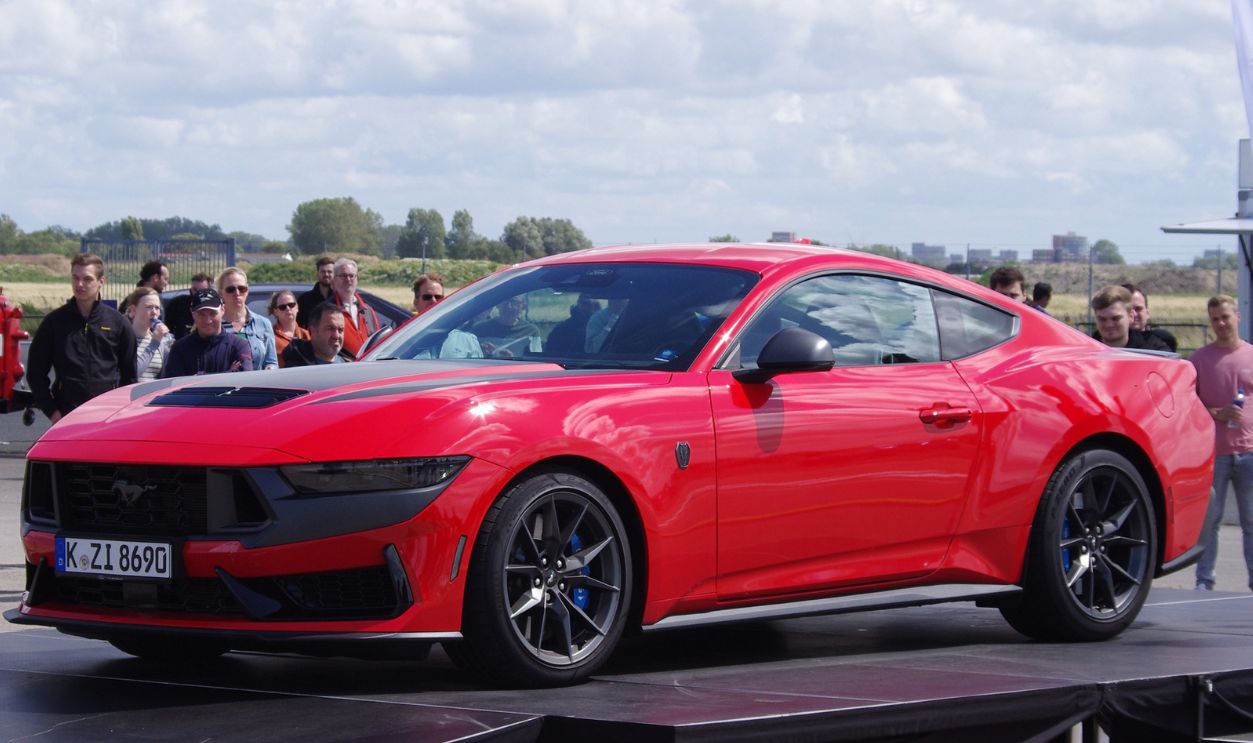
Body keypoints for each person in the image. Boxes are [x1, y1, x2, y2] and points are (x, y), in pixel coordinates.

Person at [27, 253, 138, 422]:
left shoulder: (119, 323)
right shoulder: (54, 323)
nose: (80, 284)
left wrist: (121, 412)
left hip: (108, 417)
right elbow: (35, 373)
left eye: (87, 279)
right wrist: (53, 412)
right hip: (67, 416)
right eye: (75, 278)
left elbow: (129, 377)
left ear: (101, 282)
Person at [1190, 295, 1253, 591]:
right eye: (1215, 319)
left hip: (1249, 452)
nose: (1221, 324)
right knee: (1210, 522)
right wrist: (1218, 413)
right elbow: (1190, 404)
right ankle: (1204, 580)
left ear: (1237, 317)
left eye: (1225, 317)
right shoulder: (1200, 360)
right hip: (1215, 453)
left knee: (1251, 522)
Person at [161, 288, 254, 377]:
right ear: (192, 314)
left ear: (222, 310)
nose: (208, 320)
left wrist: (196, 378)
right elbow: (175, 386)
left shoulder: (238, 346)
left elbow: (243, 382)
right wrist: (229, 373)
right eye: (201, 314)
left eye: (212, 313)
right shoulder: (180, 349)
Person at [218, 267, 278, 370]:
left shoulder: (263, 323)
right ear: (221, 293)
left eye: (241, 288)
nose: (237, 293)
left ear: (247, 290)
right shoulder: (214, 325)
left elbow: (271, 361)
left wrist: (270, 369)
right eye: (230, 289)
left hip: (256, 384)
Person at [330, 258, 385, 358]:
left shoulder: (367, 311)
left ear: (357, 279)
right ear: (334, 280)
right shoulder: (328, 310)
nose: (348, 279)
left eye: (351, 276)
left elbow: (377, 341)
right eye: (343, 276)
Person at [1090, 285, 1171, 351]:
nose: (1109, 324)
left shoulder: (1155, 351)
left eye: (1116, 318)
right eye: (1102, 319)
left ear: (1131, 316)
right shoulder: (1084, 350)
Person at [125, 287, 173, 381]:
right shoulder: (124, 339)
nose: (154, 312)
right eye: (149, 307)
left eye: (157, 308)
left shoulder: (161, 342)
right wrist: (154, 343)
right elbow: (133, 372)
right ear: (133, 310)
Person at [281, 302, 349, 366]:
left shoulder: (348, 366)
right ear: (313, 331)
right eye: (330, 328)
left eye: (340, 330)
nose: (336, 335)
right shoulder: (296, 369)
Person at [472, 295, 540, 356]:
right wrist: (481, 351)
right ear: (497, 305)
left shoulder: (530, 331)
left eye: (514, 303)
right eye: (505, 302)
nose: (509, 307)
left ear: (523, 307)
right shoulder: (480, 328)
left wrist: (513, 358)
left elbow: (536, 361)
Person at [1122, 283, 1178, 352]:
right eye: (1128, 309)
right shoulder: (1106, 344)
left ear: (1147, 313)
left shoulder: (1162, 341)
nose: (1133, 314)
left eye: (1138, 309)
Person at [165, 273, 213, 340]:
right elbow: (168, 329)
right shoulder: (178, 305)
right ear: (190, 290)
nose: (198, 294)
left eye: (202, 291)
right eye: (195, 290)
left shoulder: (214, 308)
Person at [268, 289, 309, 366]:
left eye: (291, 305)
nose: (288, 308)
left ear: (297, 307)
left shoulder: (306, 334)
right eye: (282, 307)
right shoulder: (270, 337)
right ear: (275, 312)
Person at [296, 256, 337, 329]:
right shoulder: (304, 300)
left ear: (335, 274)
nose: (326, 274)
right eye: (323, 271)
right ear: (317, 274)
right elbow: (298, 326)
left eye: (329, 272)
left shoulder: (339, 299)